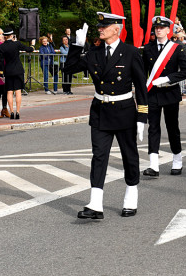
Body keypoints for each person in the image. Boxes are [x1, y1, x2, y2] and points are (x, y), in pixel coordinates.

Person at [63, 12, 148, 219]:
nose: (100, 29)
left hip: (125, 111)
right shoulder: (95, 53)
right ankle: (95, 204)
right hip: (100, 110)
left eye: (104, 26)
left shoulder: (130, 52)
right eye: (99, 26)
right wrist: (76, 46)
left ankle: (130, 196)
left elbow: (141, 86)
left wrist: (141, 117)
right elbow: (69, 69)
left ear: (116, 29)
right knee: (99, 156)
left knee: (129, 155)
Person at [142, 16, 186, 177]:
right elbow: (143, 72)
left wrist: (169, 79)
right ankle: (153, 165)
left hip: (170, 93)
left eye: (162, 28)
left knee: (172, 128)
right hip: (153, 94)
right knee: (153, 128)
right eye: (156, 28)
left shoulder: (177, 49)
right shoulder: (148, 48)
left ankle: (177, 160)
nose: (158, 30)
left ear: (168, 30)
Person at [0, 28, 35, 119]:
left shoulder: (1, 47)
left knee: (9, 92)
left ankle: (11, 112)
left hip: (9, 70)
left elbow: (1, 62)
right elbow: (29, 49)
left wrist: (1, 73)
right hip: (18, 70)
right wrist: (33, 45)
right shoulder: (17, 44)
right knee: (18, 91)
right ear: (11, 36)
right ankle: (18, 112)